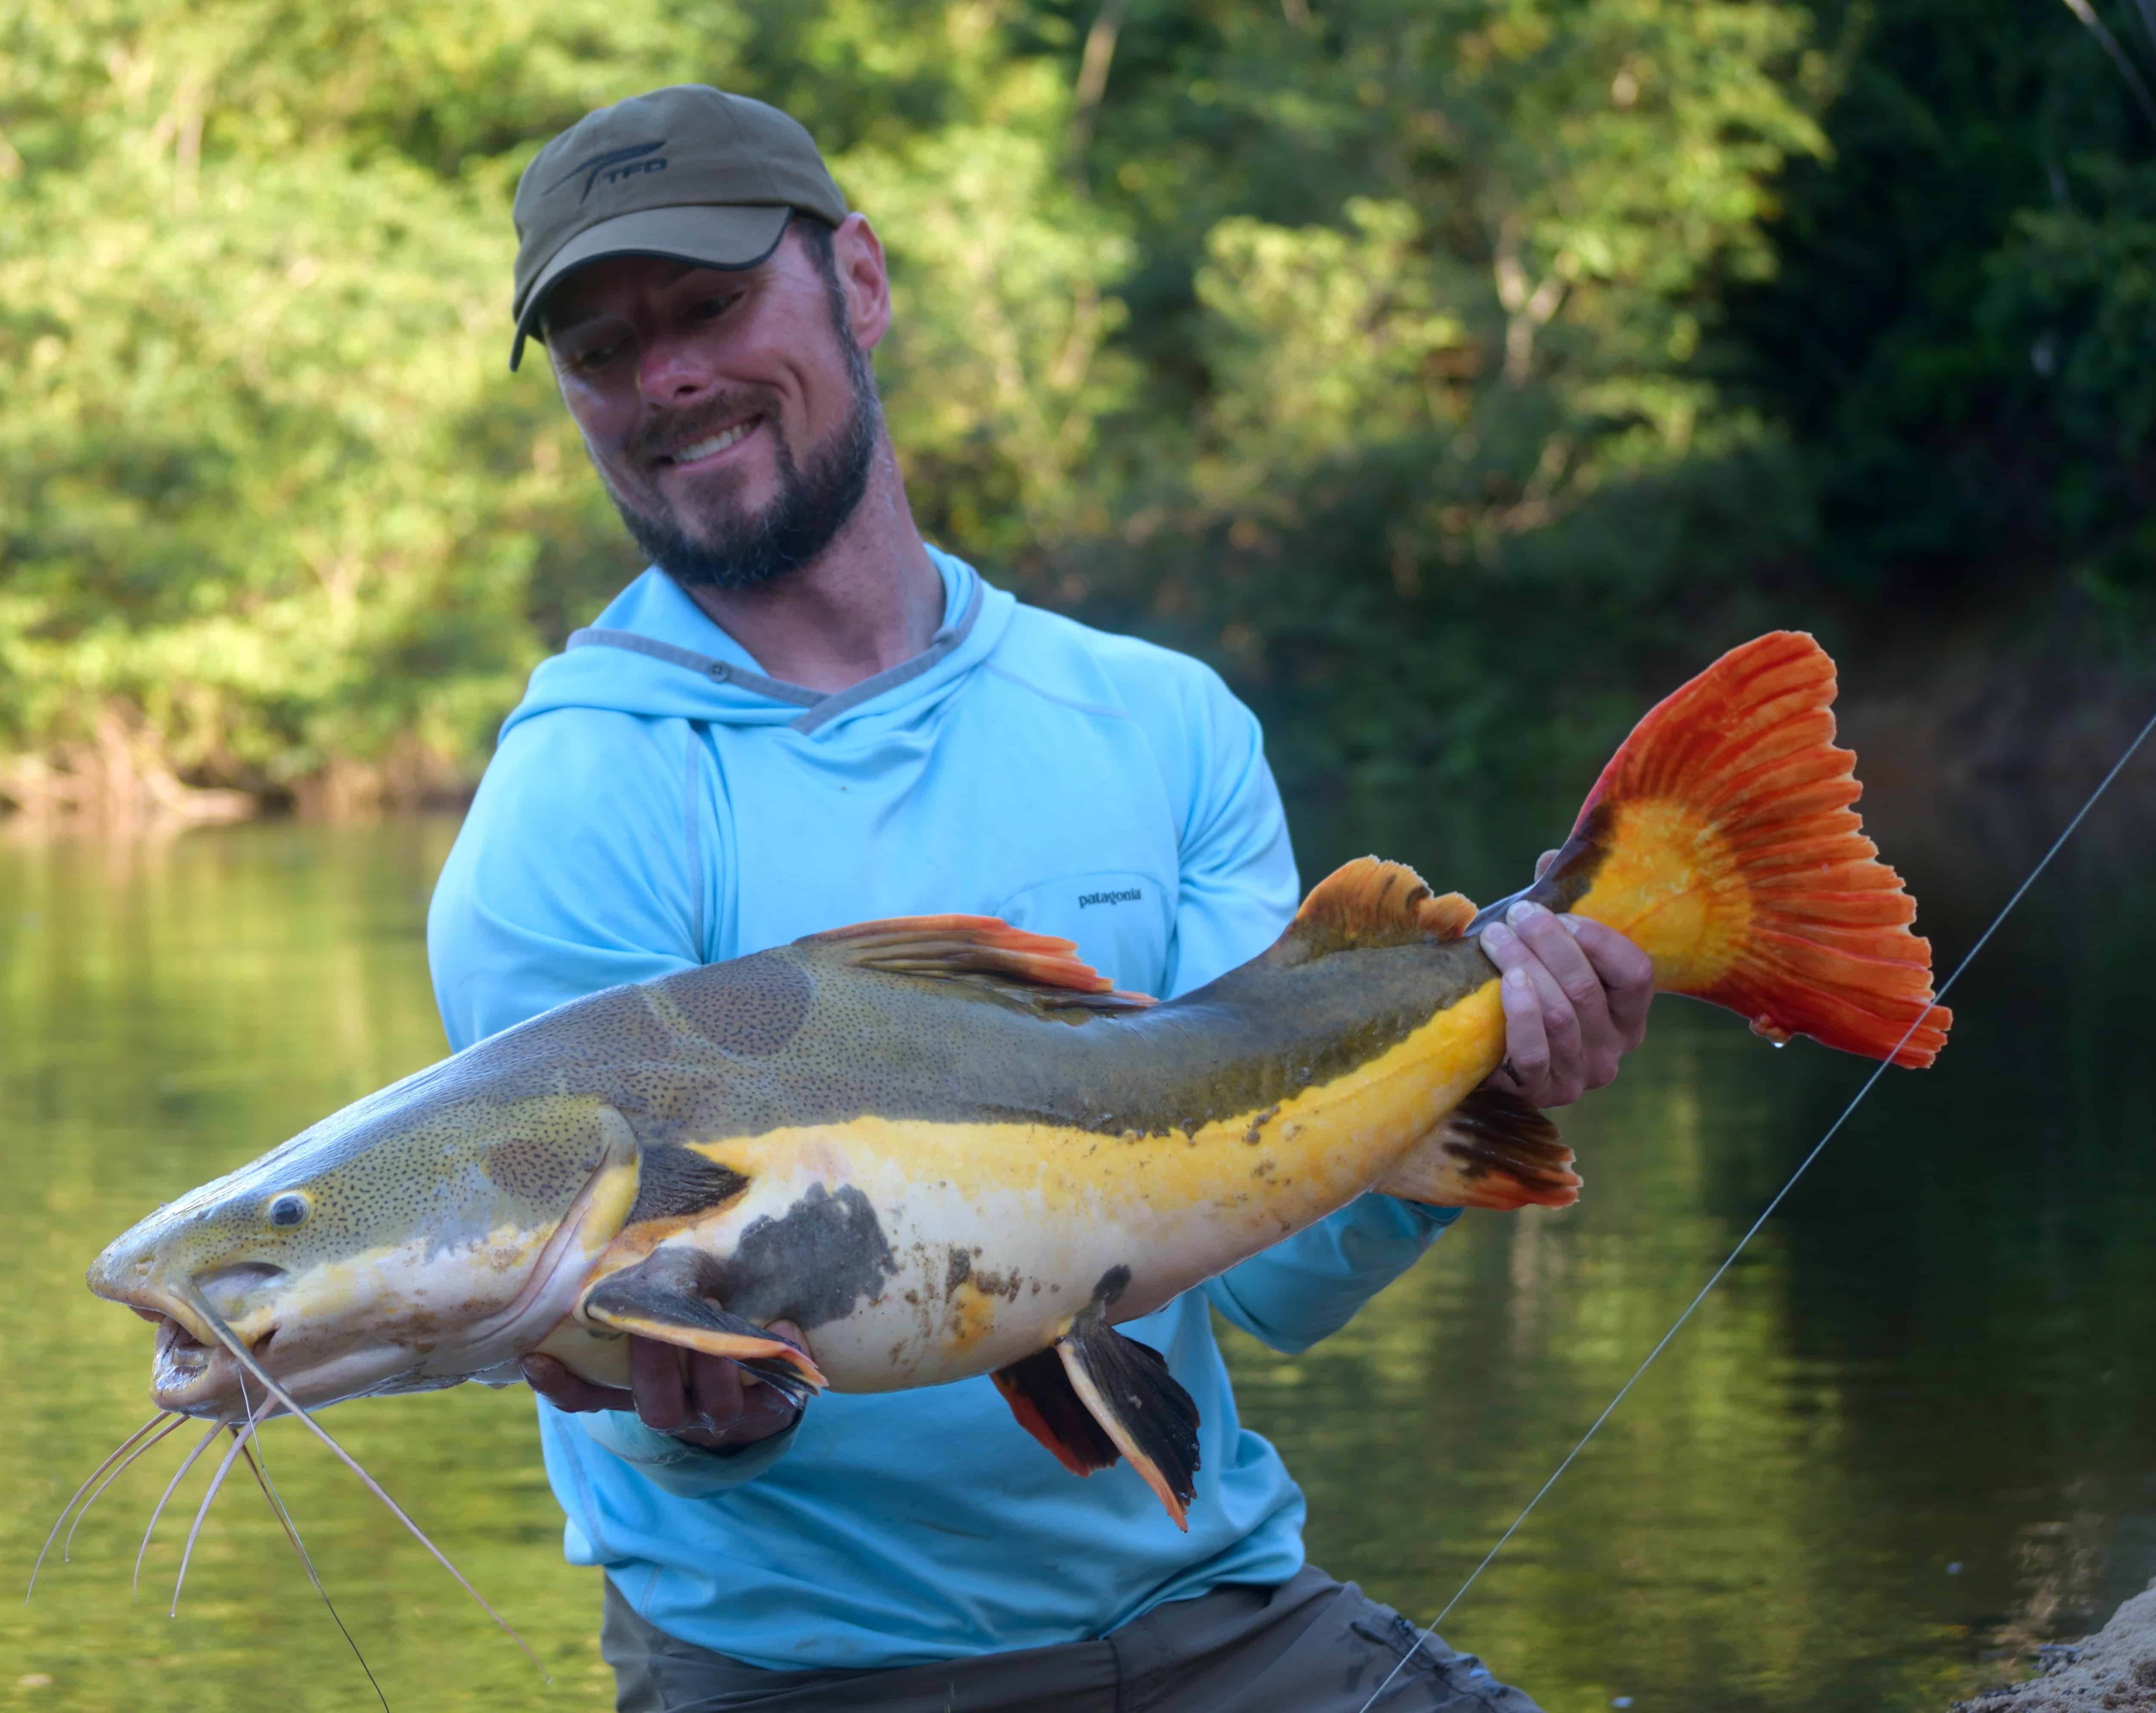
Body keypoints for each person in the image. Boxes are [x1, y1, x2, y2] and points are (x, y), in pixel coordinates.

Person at [426, 84, 1655, 1713]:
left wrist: (1480, 1081)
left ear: (858, 284)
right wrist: (716, 1409)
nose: (667, 377)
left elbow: (1278, 1276)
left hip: (1230, 1623)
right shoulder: (568, 812)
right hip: (802, 1678)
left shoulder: (1160, 722)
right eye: (600, 349)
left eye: (712, 305)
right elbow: (661, 1425)